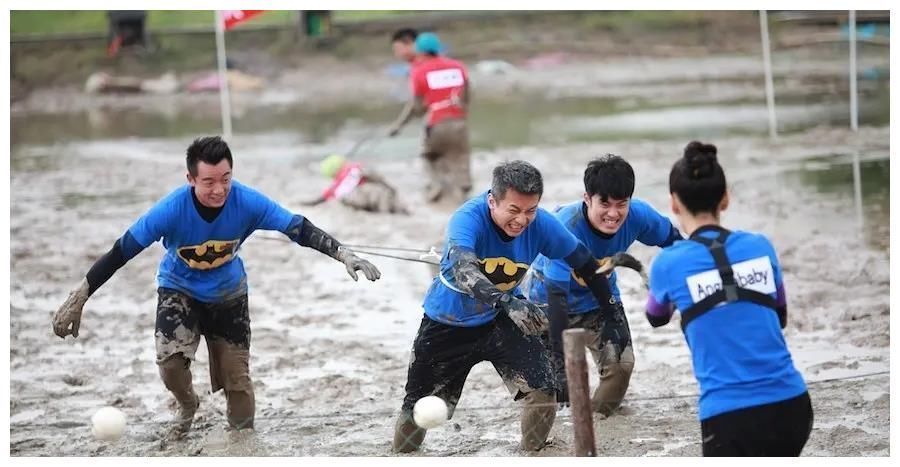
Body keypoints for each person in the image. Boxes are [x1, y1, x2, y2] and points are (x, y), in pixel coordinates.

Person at [51, 136, 382, 439]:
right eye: (208, 181)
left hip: (229, 295)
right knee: (170, 366)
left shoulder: (247, 202)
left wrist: (341, 253)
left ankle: (242, 441)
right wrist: (80, 296)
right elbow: (121, 251)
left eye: (226, 179)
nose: (219, 190)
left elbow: (297, 227)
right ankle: (188, 404)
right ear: (191, 179)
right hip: (179, 290)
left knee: (237, 382)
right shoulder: (170, 210)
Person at [392, 160, 621, 453]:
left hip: (502, 319)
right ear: (492, 201)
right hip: (447, 322)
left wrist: (611, 308)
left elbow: (585, 263)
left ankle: (533, 452)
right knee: (418, 411)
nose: (522, 220)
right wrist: (507, 300)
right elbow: (465, 272)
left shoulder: (542, 224)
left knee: (543, 392)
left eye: (530, 210)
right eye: (513, 210)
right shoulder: (467, 219)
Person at [646, 141, 812, 456]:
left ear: (674, 204)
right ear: (725, 198)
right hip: (792, 406)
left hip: (729, 417)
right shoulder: (761, 246)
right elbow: (780, 317)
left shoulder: (668, 263)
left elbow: (656, 317)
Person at [524, 154, 682, 416]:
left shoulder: (639, 216)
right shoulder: (566, 227)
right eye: (604, 204)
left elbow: (678, 244)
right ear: (587, 199)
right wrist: (561, 366)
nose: (613, 214)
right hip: (548, 303)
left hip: (601, 298)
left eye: (622, 204)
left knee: (621, 366)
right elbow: (557, 298)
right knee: (547, 389)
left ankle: (596, 423)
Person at [387, 31, 472, 206]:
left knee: (429, 156)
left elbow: (417, 107)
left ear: (419, 50)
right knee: (460, 157)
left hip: (437, 123)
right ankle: (463, 188)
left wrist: (399, 125)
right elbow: (467, 94)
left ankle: (436, 186)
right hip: (459, 122)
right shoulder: (458, 66)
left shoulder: (419, 72)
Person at [302, 154, 409, 214]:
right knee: (398, 211)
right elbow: (374, 175)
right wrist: (389, 187)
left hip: (358, 202)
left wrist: (301, 203)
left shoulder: (334, 188)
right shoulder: (353, 167)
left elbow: (318, 200)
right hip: (378, 194)